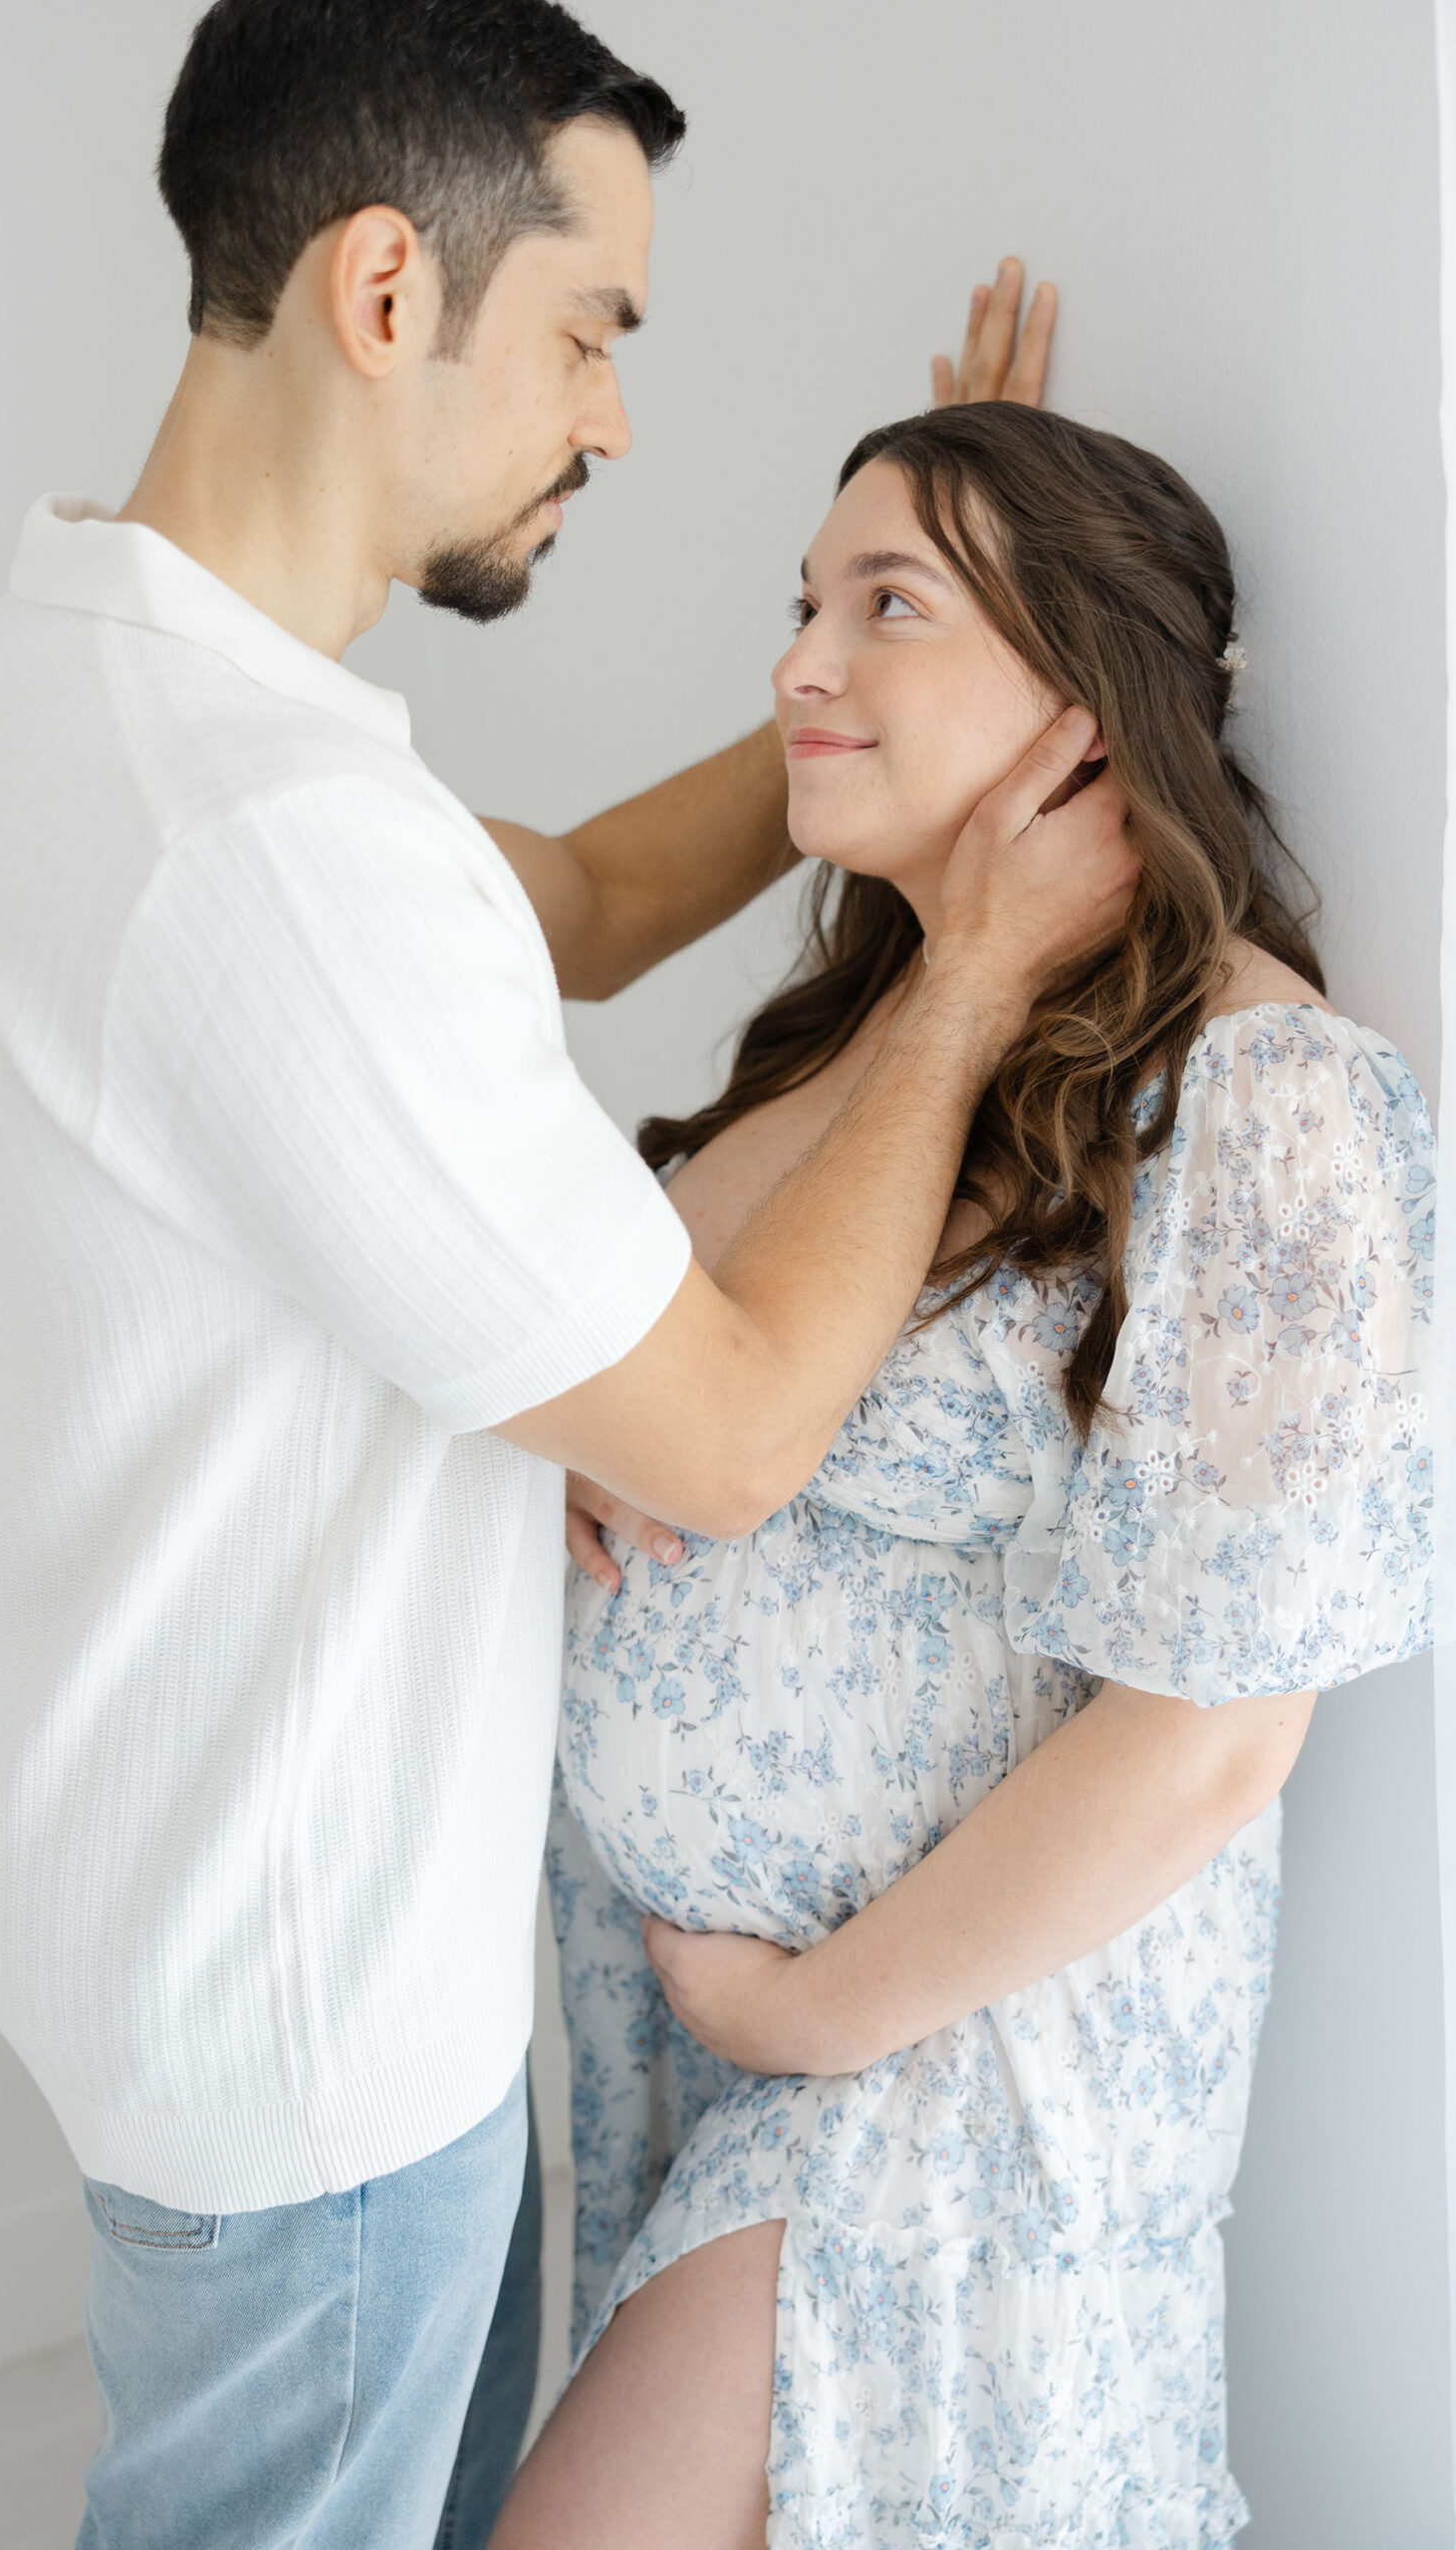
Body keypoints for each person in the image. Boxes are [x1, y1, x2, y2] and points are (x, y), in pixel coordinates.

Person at [0, 3, 1131, 2546]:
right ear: (375, 288)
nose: (613, 415)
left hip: (157, 1909)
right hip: (311, 2026)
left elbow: (530, 904)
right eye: (591, 330)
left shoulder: (67, 685)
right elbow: (738, 1418)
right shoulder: (254, 848)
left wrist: (868, 683)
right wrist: (973, 958)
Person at [502, 401, 1437, 2549]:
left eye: (883, 605)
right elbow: (672, 1358)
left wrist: (811, 2008)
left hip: (958, 2053)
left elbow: (1213, 1737)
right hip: (716, 2029)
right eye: (803, 602)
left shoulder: (1262, 1089)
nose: (795, 667)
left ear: (1081, 698)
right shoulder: (870, 1029)